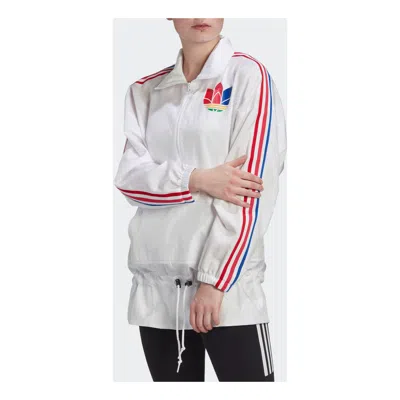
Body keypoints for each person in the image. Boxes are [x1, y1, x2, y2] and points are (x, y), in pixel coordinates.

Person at [114, 18, 287, 382]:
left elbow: (254, 189)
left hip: (228, 292)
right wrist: (197, 179)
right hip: (157, 294)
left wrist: (215, 281)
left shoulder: (248, 76)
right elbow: (129, 180)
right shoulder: (145, 91)